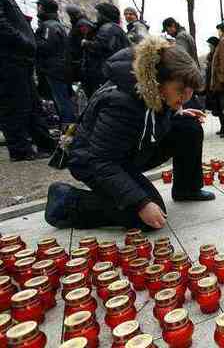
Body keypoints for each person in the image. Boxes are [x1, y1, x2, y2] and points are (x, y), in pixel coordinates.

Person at [45, 36, 214, 231]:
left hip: (128, 151)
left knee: (188, 127)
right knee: (148, 216)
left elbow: (147, 119)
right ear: (158, 81)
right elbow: (102, 161)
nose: (186, 97)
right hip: (95, 163)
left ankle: (187, 189)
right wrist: (141, 203)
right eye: (180, 90)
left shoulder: (155, 91)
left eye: (190, 90)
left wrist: (176, 113)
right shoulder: (120, 103)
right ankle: (68, 201)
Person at [0, 0, 55, 161]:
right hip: (9, 59)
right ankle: (19, 149)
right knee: (15, 105)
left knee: (32, 104)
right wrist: (23, 41)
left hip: (20, 58)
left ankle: (45, 144)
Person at [35, 0, 76, 125]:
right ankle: (68, 126)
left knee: (62, 100)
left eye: (39, 6)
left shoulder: (49, 26)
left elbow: (47, 46)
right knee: (62, 99)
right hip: (58, 69)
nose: (37, 8)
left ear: (44, 8)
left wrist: (32, 39)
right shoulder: (54, 24)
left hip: (54, 70)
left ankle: (69, 128)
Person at [81, 3, 130, 97]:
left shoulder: (107, 28)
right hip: (111, 71)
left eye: (98, 13)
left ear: (104, 14)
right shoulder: (114, 27)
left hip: (104, 72)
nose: (96, 16)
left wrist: (85, 43)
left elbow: (100, 47)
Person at [64, 5, 94, 85]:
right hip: (80, 62)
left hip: (82, 63)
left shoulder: (82, 24)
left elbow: (85, 42)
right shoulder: (78, 23)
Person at [203, 36, 220, 115]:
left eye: (210, 45)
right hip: (211, 84)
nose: (209, 47)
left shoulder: (217, 55)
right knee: (216, 106)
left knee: (219, 107)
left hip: (216, 84)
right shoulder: (210, 56)